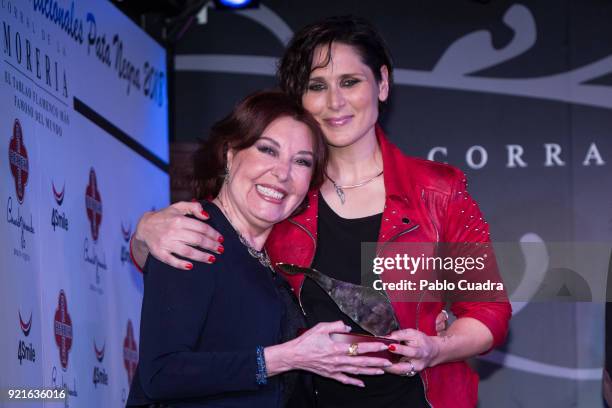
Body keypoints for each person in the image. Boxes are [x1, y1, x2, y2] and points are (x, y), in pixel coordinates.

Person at [130, 16, 511, 408]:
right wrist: (144, 233)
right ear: (299, 97)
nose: (334, 102)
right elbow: (209, 258)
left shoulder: (438, 190)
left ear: (381, 83)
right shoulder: (280, 195)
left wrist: (436, 348)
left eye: (350, 82)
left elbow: (488, 310)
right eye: (317, 86)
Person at [126, 90, 395, 408]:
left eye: (301, 161)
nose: (282, 173)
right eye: (267, 150)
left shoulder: (273, 261)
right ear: (229, 153)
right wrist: (285, 358)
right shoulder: (192, 235)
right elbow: (162, 375)